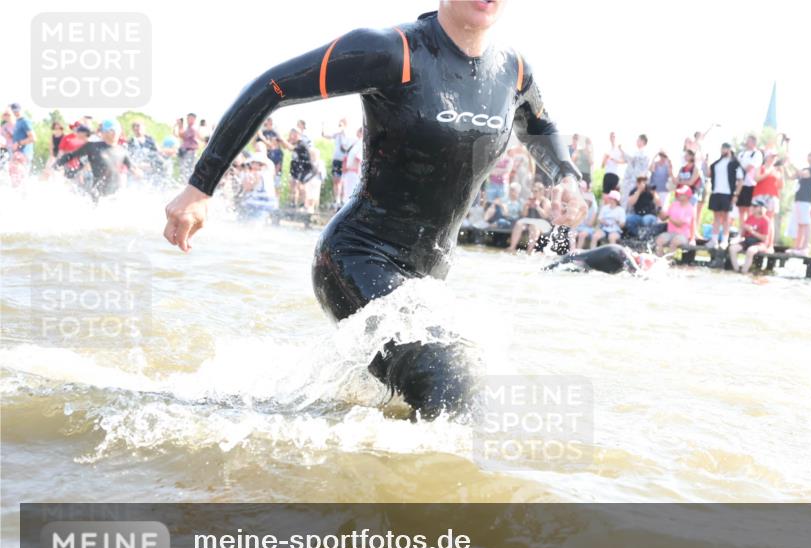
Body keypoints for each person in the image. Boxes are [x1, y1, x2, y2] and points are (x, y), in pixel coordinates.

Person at [163, 1, 585, 420]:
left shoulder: (512, 70)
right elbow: (273, 86)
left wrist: (565, 175)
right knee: (451, 377)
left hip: (427, 278)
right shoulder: (392, 51)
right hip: (356, 258)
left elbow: (539, 126)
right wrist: (201, 186)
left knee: (440, 389)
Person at [56, 120, 136, 201]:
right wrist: (56, 166)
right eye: (111, 131)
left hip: (116, 192)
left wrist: (138, 173)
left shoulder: (122, 150)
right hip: (98, 192)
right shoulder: (92, 146)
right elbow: (71, 156)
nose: (114, 133)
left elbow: (132, 168)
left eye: (116, 131)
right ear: (105, 133)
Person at [706, 142, 740, 248]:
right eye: (722, 148)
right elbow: (709, 174)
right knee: (716, 217)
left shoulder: (735, 163)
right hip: (716, 192)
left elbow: (740, 180)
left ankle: (725, 240)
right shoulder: (717, 163)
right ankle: (714, 240)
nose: (723, 150)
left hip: (728, 193)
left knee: (726, 217)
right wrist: (706, 162)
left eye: (726, 148)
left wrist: (736, 195)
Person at [543, 243, 652, 275]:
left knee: (548, 270)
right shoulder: (622, 254)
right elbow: (638, 274)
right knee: (547, 271)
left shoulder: (622, 258)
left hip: (578, 260)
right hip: (575, 259)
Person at [787, 150, 811, 255]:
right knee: (800, 224)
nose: (808, 156)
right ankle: (798, 247)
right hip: (799, 200)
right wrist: (784, 166)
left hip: (806, 200)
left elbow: (802, 174)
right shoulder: (806, 169)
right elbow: (791, 177)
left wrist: (791, 163)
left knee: (806, 224)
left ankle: (805, 247)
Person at [728, 199, 771, 273]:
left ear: (761, 208)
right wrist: (738, 237)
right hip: (747, 240)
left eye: (755, 206)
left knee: (750, 251)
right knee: (732, 249)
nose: (752, 207)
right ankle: (737, 270)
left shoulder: (766, 220)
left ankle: (744, 272)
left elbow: (764, 238)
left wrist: (752, 231)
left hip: (759, 243)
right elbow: (743, 232)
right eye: (752, 206)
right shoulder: (750, 217)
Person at [507, 183, 552, 253]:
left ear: (541, 192)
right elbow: (524, 215)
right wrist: (526, 206)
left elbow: (545, 216)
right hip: (530, 221)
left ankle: (529, 251)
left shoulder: (545, 201)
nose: (533, 193)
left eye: (535, 191)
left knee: (534, 226)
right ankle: (512, 247)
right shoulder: (530, 200)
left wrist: (537, 207)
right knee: (519, 223)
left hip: (542, 223)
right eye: (533, 191)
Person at [654, 185, 696, 255]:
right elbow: (663, 218)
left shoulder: (690, 208)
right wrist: (659, 212)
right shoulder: (674, 204)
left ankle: (668, 260)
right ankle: (659, 258)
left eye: (681, 194)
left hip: (683, 235)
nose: (679, 195)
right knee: (659, 240)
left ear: (687, 196)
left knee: (675, 241)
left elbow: (679, 224)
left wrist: (669, 217)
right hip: (670, 233)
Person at [237, 152, 279, 221]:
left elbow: (248, 187)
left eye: (252, 163)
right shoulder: (267, 173)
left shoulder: (257, 174)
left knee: (252, 224)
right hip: (267, 204)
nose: (250, 165)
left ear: (257, 164)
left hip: (258, 205)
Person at [736, 135, 763, 224]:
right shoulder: (741, 154)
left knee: (749, 209)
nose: (747, 142)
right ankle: (741, 231)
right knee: (741, 209)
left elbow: (750, 167)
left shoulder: (757, 154)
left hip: (750, 185)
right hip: (740, 185)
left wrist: (741, 170)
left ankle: (748, 231)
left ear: (754, 142)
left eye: (749, 141)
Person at [620, 134, 650, 210]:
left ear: (643, 141)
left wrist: (622, 150)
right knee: (624, 199)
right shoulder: (635, 152)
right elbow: (628, 160)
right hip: (628, 180)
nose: (637, 142)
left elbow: (631, 159)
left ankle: (627, 219)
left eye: (638, 140)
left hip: (635, 181)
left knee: (631, 200)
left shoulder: (645, 153)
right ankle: (623, 218)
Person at [175, 113, 202, 181]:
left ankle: (185, 183)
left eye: (189, 118)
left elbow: (182, 135)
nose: (187, 120)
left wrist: (180, 126)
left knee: (186, 169)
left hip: (190, 151)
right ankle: (183, 182)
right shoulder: (188, 128)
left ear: (193, 119)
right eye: (187, 118)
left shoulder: (193, 128)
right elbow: (181, 136)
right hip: (186, 151)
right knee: (183, 169)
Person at [340, 127, 364, 201]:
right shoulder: (356, 142)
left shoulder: (361, 143)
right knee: (347, 193)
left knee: (350, 194)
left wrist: (352, 169)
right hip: (349, 171)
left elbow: (358, 158)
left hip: (353, 172)